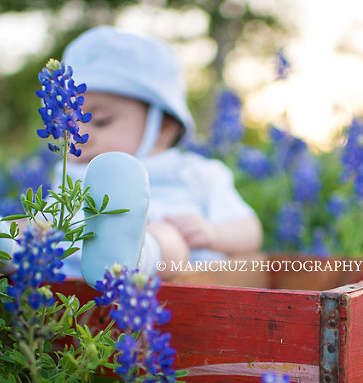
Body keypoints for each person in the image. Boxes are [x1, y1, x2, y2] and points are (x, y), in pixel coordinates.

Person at [57, 25, 263, 285]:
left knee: (167, 236)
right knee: (36, 225)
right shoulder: (67, 172)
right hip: (69, 269)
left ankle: (134, 258)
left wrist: (211, 233)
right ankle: (3, 249)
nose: (79, 136)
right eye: (69, 122)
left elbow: (250, 231)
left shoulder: (193, 173)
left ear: (163, 127)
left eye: (100, 121)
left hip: (167, 271)